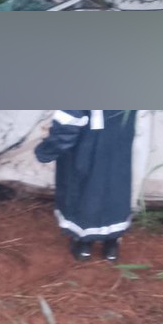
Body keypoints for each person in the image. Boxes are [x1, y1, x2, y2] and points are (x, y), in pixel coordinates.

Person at [34, 110, 137, 261]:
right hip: (118, 140)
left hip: (85, 145)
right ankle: (111, 245)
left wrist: (45, 151)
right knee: (115, 185)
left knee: (85, 189)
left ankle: (84, 244)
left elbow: (68, 124)